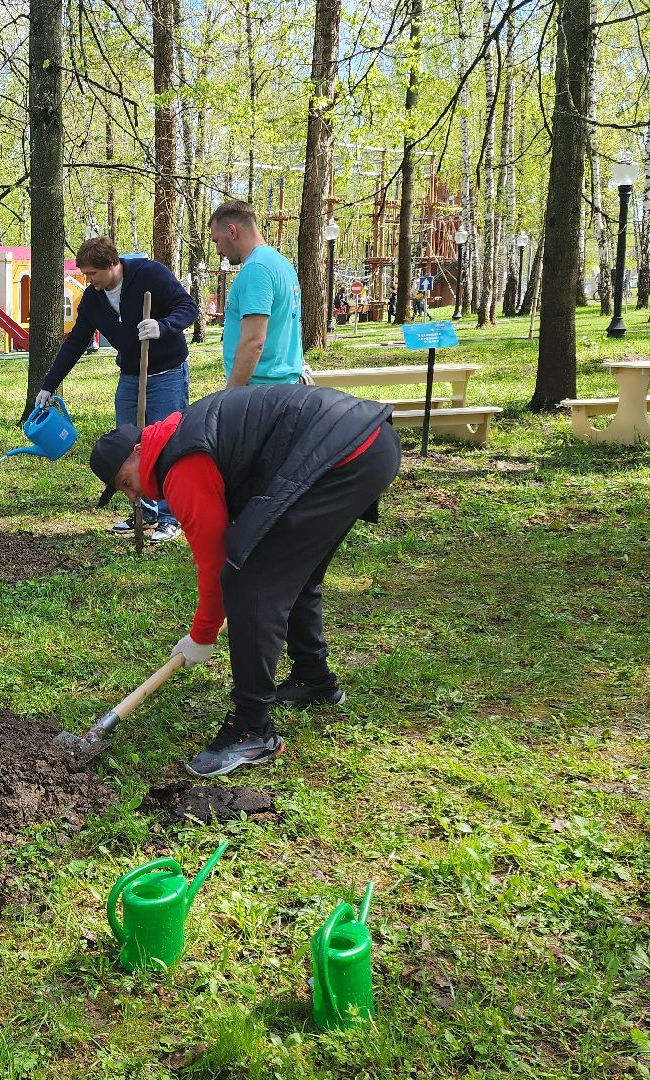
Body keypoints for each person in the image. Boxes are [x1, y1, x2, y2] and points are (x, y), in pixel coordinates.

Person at [86, 384, 399, 777]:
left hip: (344, 455)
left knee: (251, 583)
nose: (133, 497)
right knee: (291, 573)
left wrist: (202, 635)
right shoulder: (177, 438)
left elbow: (217, 565)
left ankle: (252, 729)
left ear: (138, 451)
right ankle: (313, 678)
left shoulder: (181, 466)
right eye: (123, 492)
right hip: (365, 442)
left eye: (125, 482)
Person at [35, 236, 198, 544]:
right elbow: (75, 343)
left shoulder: (150, 274)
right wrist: (49, 384)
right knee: (129, 443)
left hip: (167, 372)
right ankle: (144, 510)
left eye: (92, 274)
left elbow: (188, 307)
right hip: (131, 375)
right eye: (85, 274)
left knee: (166, 443)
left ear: (112, 264)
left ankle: (170, 515)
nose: (89, 280)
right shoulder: (93, 299)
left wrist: (163, 326)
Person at [211, 200, 307, 389]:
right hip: (285, 388)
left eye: (217, 241)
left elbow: (253, 342)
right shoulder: (280, 262)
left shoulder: (256, 269)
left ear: (232, 231)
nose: (218, 250)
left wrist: (230, 394)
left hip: (261, 393)